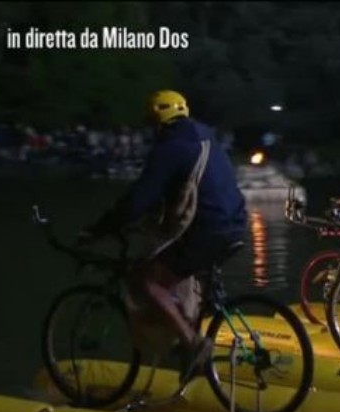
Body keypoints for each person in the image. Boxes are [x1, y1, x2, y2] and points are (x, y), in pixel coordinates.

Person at [81, 89, 249, 382]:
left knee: (150, 281)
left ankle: (193, 343)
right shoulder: (206, 136)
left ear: (156, 121)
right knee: (185, 273)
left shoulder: (170, 147)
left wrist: (102, 227)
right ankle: (193, 355)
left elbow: (138, 199)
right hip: (235, 223)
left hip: (210, 229)